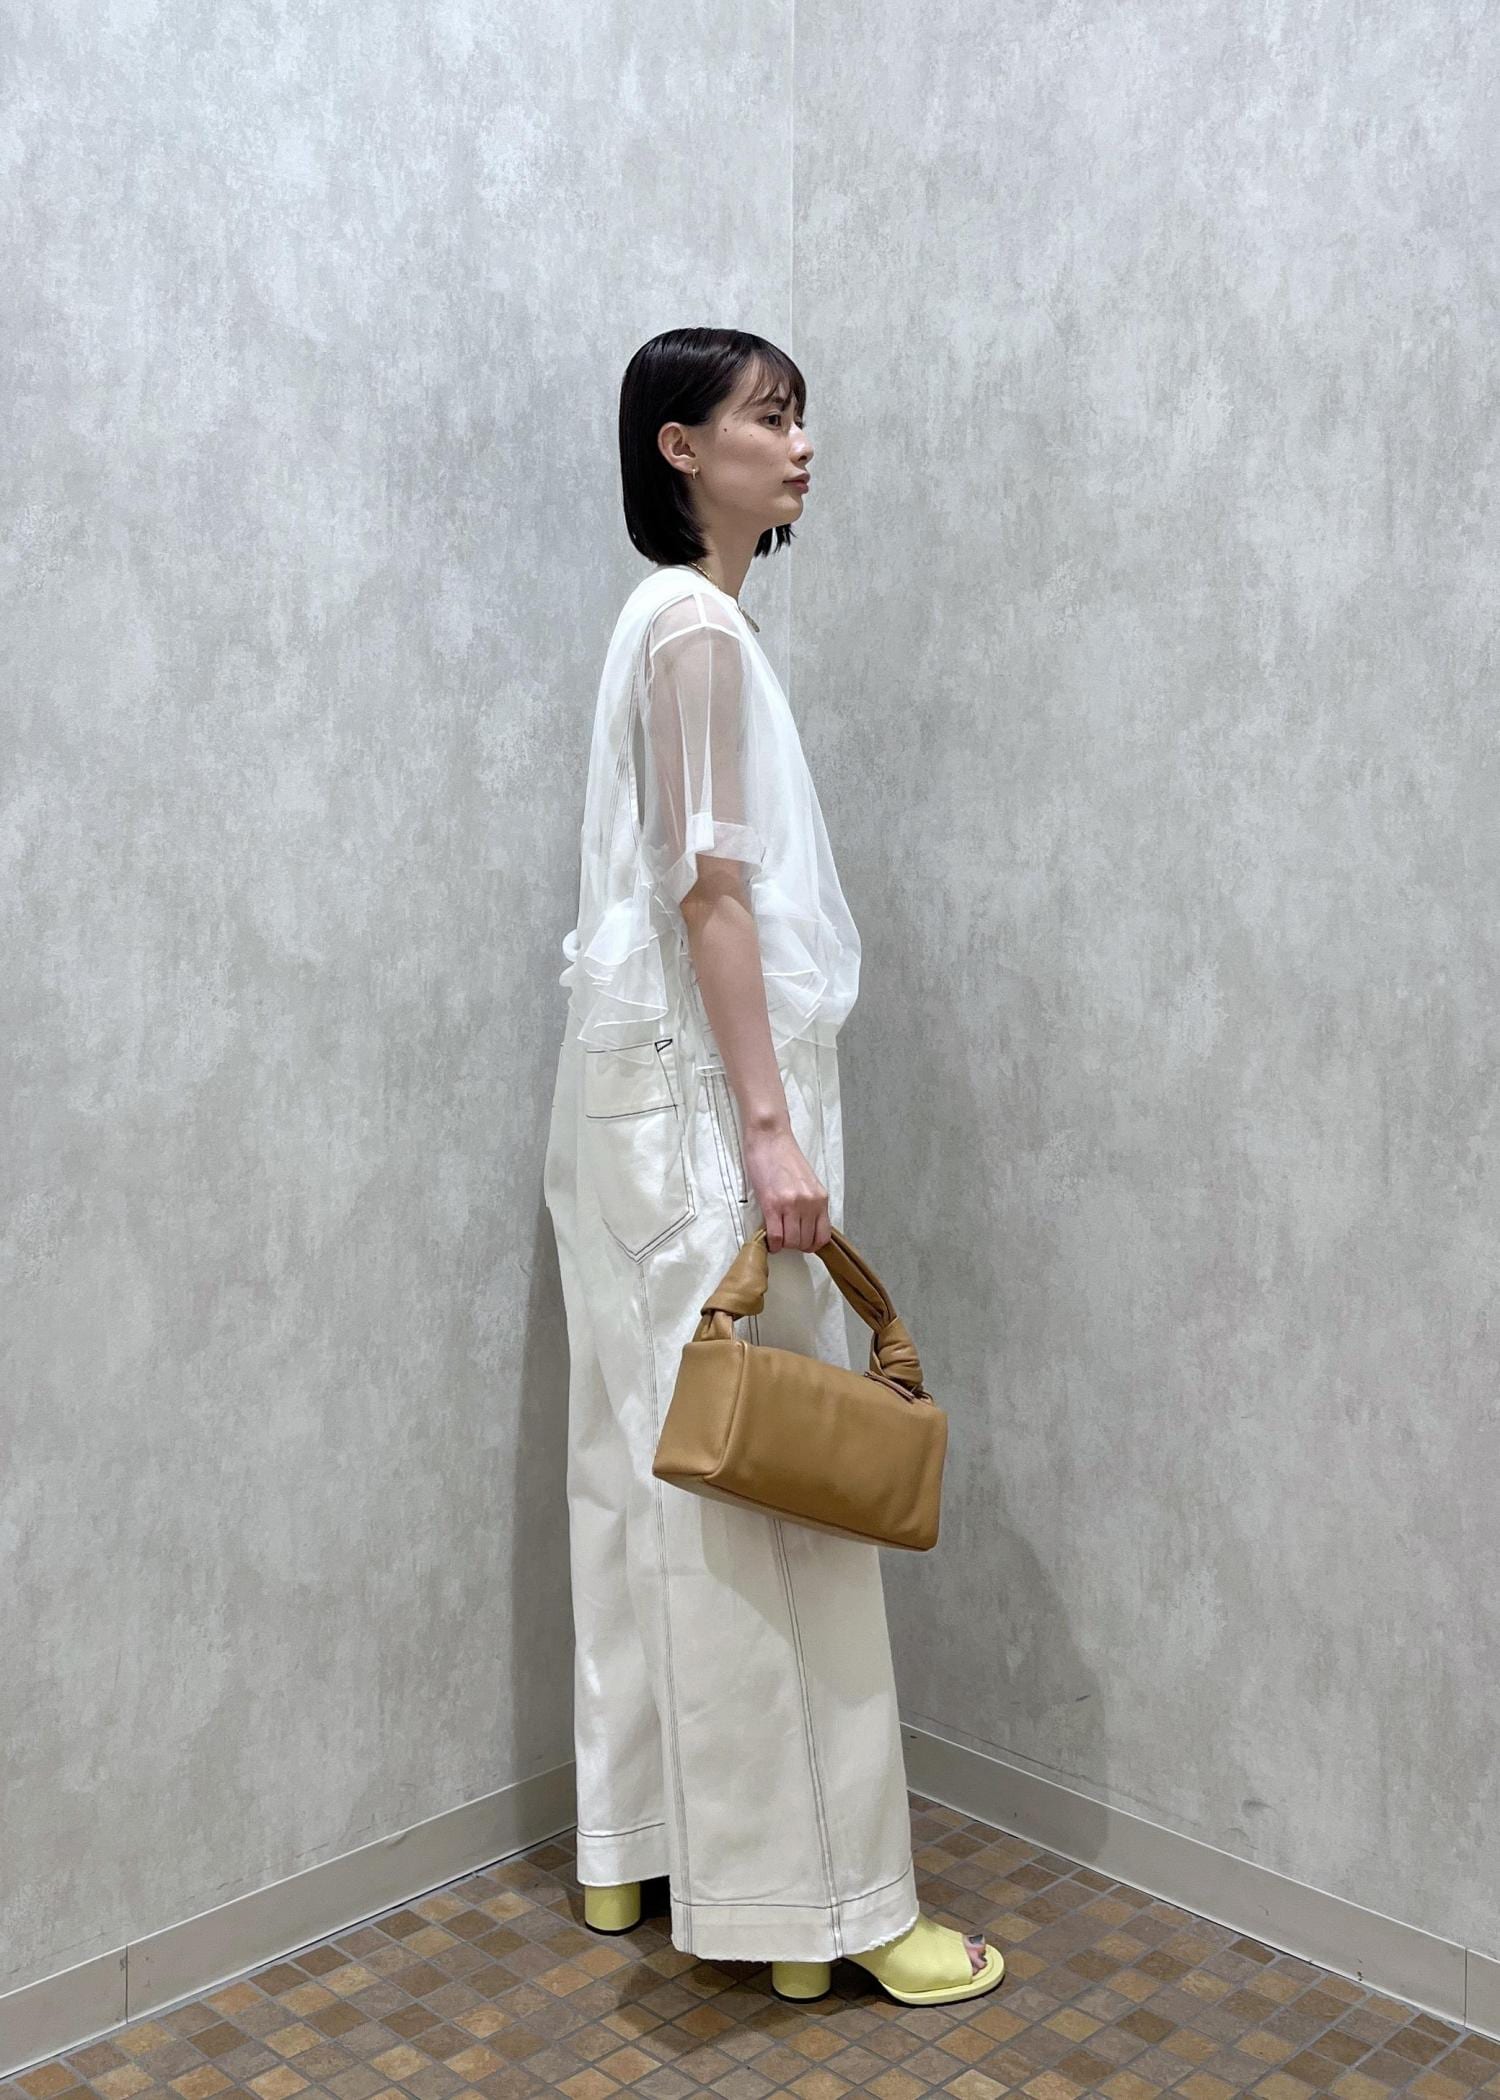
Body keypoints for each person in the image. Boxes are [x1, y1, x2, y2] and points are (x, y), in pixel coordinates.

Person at [542, 326, 1004, 2008]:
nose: (801, 445)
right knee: (772, 1502)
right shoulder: (698, 631)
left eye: (804, 417)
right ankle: (824, 1910)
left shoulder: (656, 624)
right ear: (681, 447)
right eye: (768, 416)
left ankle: (633, 1848)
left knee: (642, 1473)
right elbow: (712, 896)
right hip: (694, 1121)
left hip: (621, 1114)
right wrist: (767, 1127)